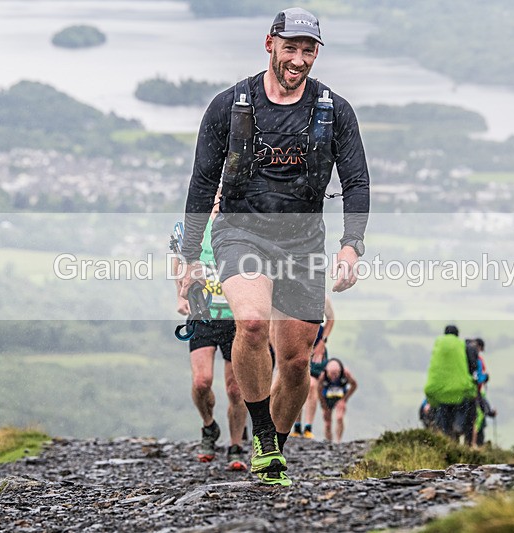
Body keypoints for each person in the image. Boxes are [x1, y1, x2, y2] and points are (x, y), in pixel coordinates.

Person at [178, 7, 370, 486]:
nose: (300, 59)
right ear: (270, 45)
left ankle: (272, 452)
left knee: (296, 359)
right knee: (250, 320)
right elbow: (203, 183)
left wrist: (351, 246)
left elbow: (357, 181)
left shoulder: (334, 110)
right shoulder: (230, 105)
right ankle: (262, 433)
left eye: (309, 51)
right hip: (241, 231)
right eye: (292, 48)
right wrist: (189, 259)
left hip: (303, 241)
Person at [173, 198, 247, 471]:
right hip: (203, 313)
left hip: (235, 319)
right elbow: (179, 262)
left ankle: (236, 446)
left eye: (222, 200)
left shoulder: (240, 228)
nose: (217, 205)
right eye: (213, 201)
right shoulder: (195, 230)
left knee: (235, 390)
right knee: (202, 382)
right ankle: (209, 426)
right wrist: (180, 297)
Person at [423, 325, 478, 445]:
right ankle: (458, 425)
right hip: (458, 390)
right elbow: (472, 365)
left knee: (443, 411)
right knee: (463, 404)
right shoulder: (462, 345)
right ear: (457, 334)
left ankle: (446, 436)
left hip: (440, 391)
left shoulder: (438, 343)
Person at [291, 296, 335, 439]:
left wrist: (323, 342)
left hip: (316, 345)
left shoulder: (322, 297)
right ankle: (296, 425)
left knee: (312, 385)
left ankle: (308, 427)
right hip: (296, 342)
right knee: (296, 385)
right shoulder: (290, 292)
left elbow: (331, 318)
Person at [318, 358, 357, 443]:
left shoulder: (345, 373)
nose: (333, 377)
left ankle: (338, 441)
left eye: (335, 374)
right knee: (327, 422)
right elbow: (318, 390)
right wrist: (323, 404)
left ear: (339, 372)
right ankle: (329, 441)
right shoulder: (322, 376)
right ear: (327, 372)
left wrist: (345, 399)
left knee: (339, 417)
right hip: (327, 398)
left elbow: (354, 385)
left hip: (340, 397)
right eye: (331, 374)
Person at [472, 338, 497, 446]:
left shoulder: (466, 356)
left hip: (469, 392)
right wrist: (485, 377)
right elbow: (478, 377)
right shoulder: (477, 359)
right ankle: (474, 444)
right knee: (478, 417)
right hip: (473, 392)